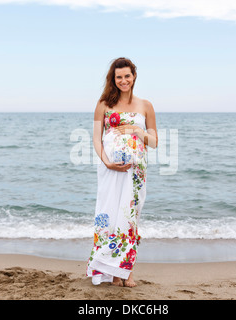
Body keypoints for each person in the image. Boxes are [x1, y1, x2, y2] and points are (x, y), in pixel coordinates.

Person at [86, 57, 158, 287]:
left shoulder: (145, 105)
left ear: (134, 76)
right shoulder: (103, 104)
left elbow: (154, 142)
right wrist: (106, 162)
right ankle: (112, 272)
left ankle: (126, 272)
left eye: (127, 76)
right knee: (109, 215)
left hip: (135, 172)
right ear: (113, 79)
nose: (123, 80)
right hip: (110, 170)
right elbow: (96, 139)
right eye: (119, 77)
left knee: (129, 217)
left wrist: (137, 130)